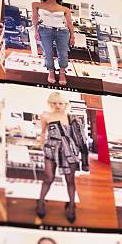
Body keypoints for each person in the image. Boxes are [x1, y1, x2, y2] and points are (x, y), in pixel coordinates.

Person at [35, 91, 89, 224]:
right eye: (54, 102)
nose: (57, 105)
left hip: (69, 151)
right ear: (50, 103)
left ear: (65, 104)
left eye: (60, 103)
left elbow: (80, 139)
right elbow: (43, 132)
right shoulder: (45, 116)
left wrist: (82, 156)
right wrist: (41, 145)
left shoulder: (72, 118)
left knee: (70, 180)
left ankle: (71, 206)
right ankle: (41, 202)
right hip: (51, 149)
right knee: (48, 178)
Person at [32, 0, 75, 86]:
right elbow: (34, 18)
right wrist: (36, 31)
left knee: (63, 53)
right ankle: (51, 71)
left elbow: (69, 23)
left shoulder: (65, 9)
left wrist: (72, 36)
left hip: (62, 32)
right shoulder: (36, 4)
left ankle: (62, 72)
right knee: (47, 52)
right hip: (44, 30)